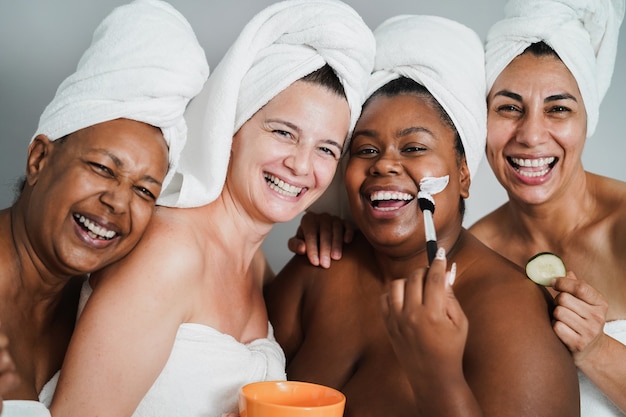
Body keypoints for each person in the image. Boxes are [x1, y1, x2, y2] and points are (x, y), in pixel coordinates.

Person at [48, 1, 375, 416]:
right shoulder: (169, 253)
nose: (301, 165)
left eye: (326, 149)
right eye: (283, 133)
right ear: (232, 128)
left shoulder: (255, 268)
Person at [265, 14, 579, 417]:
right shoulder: (318, 267)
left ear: (463, 175)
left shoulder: (513, 313)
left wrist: (439, 379)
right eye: (365, 150)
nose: (385, 166)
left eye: (413, 148)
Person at [0, 0, 208, 413]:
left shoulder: (102, 308)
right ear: (39, 158)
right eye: (101, 168)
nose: (118, 202)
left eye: (146, 191)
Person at [469, 0, 626, 415]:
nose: (532, 135)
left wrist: (596, 349)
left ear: (587, 118)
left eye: (558, 109)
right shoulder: (469, 254)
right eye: (508, 107)